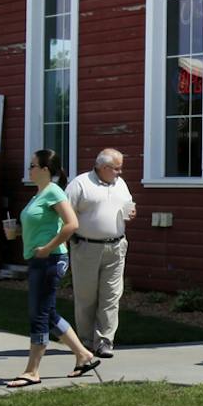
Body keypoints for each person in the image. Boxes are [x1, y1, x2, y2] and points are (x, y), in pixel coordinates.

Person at [7, 148, 99, 387]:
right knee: (48, 313)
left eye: (32, 166)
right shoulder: (38, 194)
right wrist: (16, 232)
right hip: (38, 260)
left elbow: (71, 224)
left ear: (45, 170)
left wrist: (48, 248)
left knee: (38, 314)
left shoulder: (54, 192)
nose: (29, 170)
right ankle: (83, 355)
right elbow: (39, 226)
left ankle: (32, 371)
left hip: (50, 260)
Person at [66, 147, 135, 358]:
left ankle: (105, 341)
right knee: (86, 296)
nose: (120, 172)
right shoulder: (80, 184)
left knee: (111, 296)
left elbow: (127, 206)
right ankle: (86, 341)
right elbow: (65, 213)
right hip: (86, 246)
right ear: (103, 167)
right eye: (117, 168)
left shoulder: (120, 184)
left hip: (116, 246)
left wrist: (131, 212)